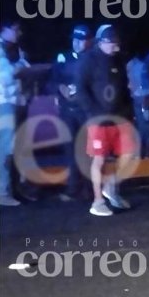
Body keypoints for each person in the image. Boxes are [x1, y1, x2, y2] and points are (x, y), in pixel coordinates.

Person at [76, 25, 136, 216]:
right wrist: (93, 113)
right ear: (102, 42)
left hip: (120, 116)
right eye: (112, 44)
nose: (115, 48)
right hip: (98, 118)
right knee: (99, 158)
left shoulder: (117, 59)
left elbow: (124, 87)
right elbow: (81, 89)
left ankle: (111, 187)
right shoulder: (88, 60)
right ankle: (97, 202)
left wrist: (129, 111)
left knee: (129, 153)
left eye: (117, 44)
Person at [51, 25, 93, 201]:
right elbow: (54, 79)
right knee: (70, 150)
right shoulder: (63, 57)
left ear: (89, 41)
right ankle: (73, 188)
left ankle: (91, 189)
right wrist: (62, 90)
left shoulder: (93, 59)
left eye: (81, 39)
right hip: (68, 111)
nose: (77, 43)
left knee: (88, 150)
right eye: (75, 39)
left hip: (86, 110)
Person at [0, 21, 25, 206]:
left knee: (13, 148)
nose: (18, 32)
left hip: (13, 104)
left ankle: (11, 189)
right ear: (4, 29)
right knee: (6, 149)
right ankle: (2, 192)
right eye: (14, 29)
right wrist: (22, 69)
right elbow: (6, 76)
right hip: (3, 104)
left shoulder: (15, 50)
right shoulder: (2, 50)